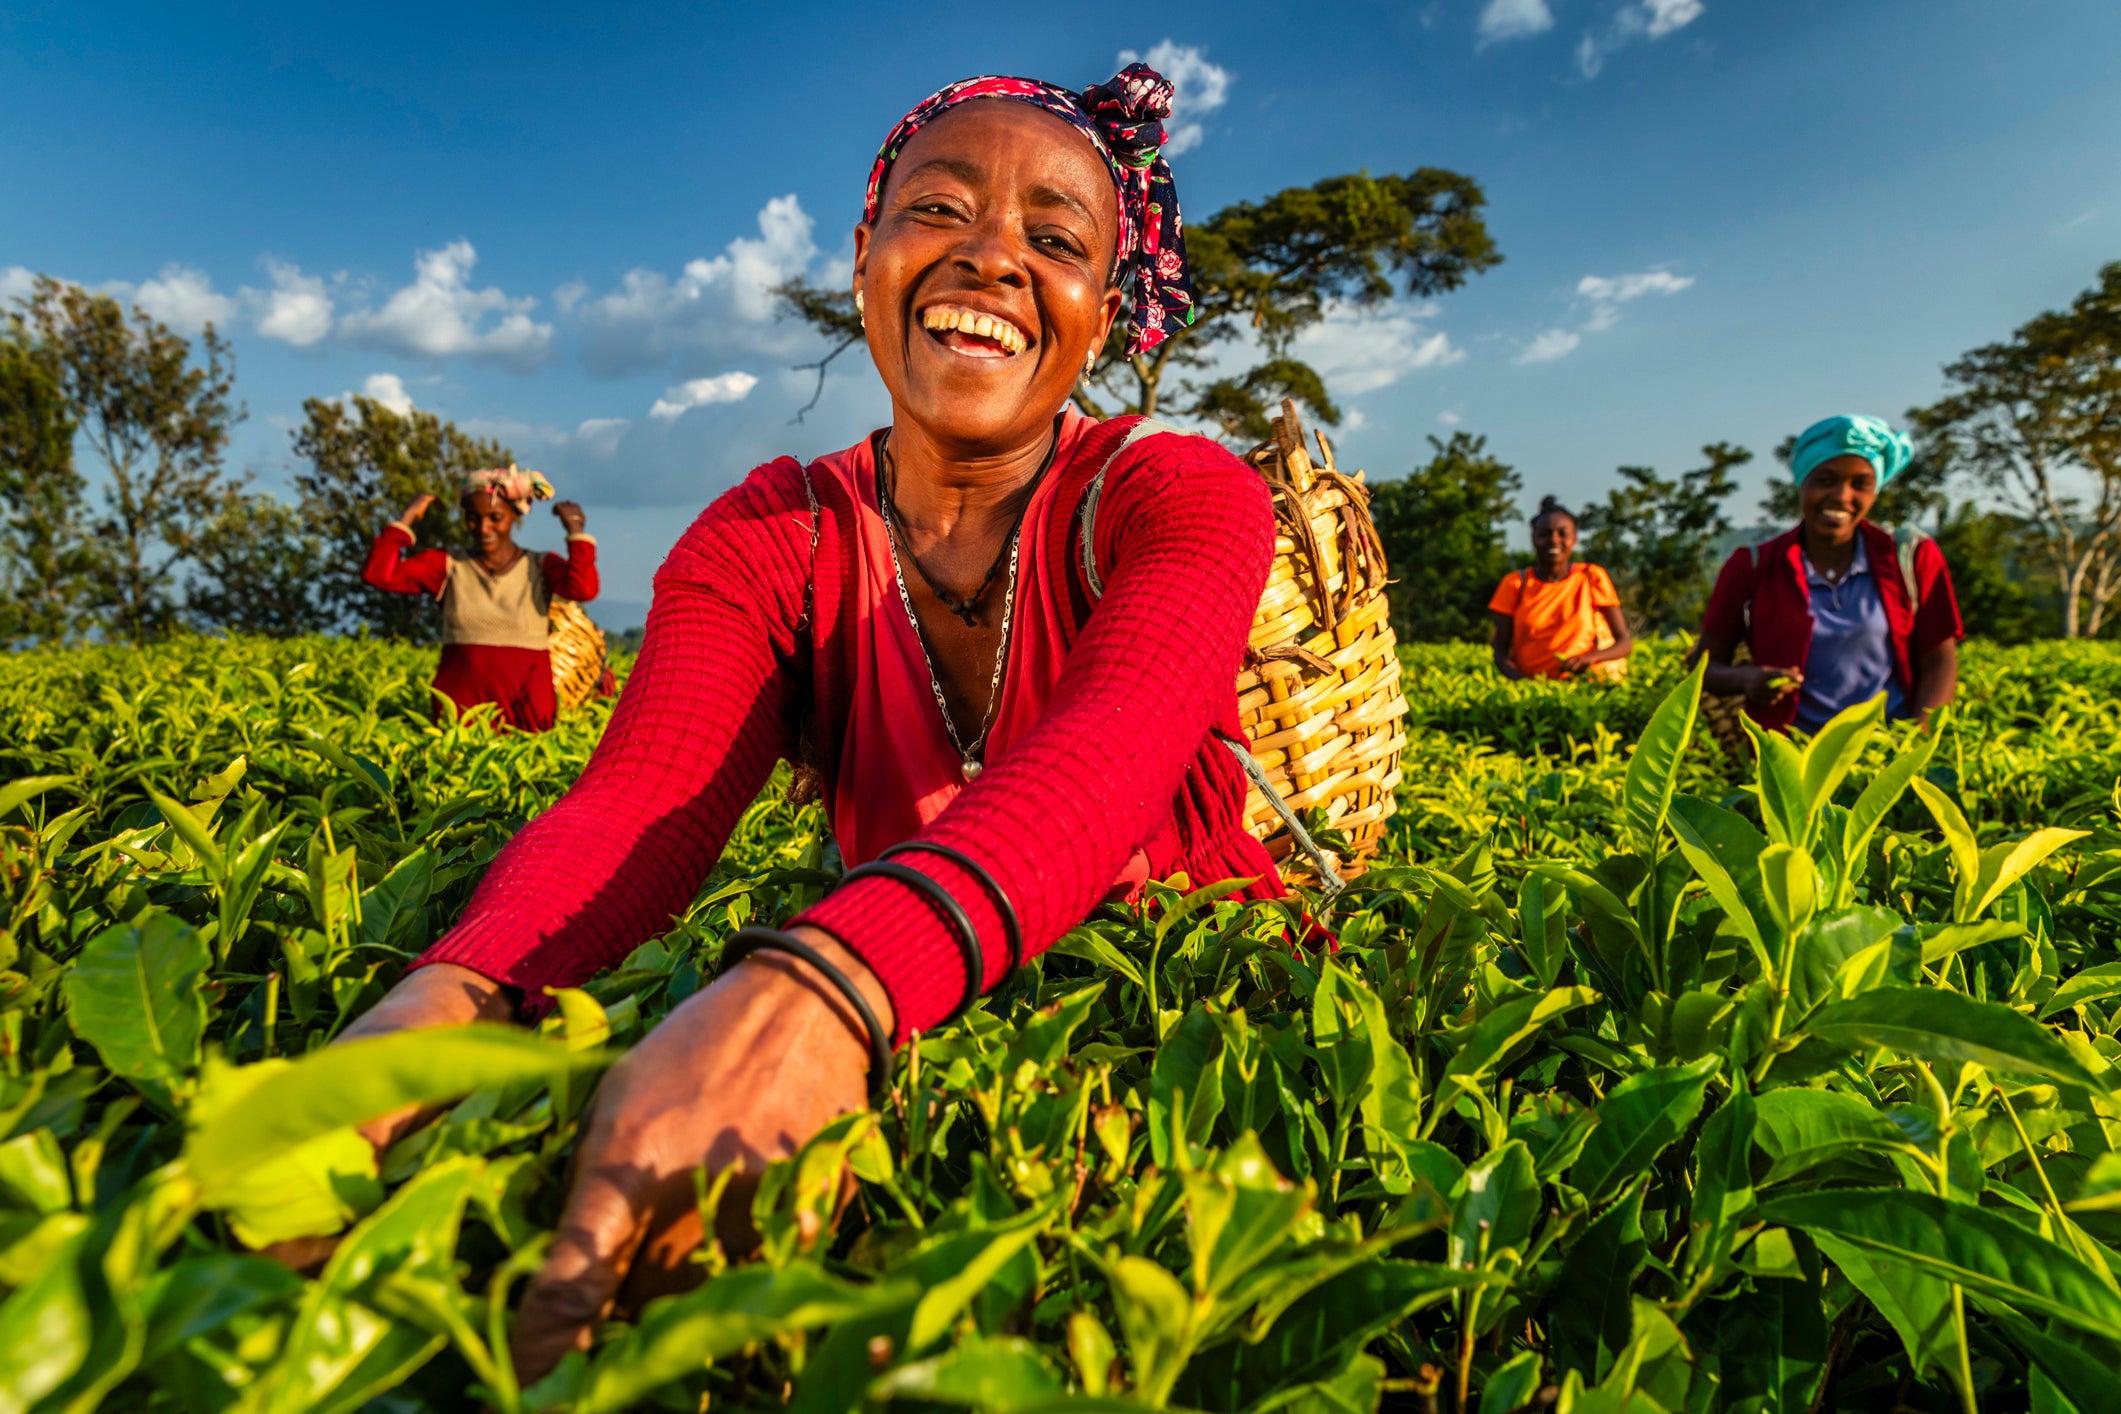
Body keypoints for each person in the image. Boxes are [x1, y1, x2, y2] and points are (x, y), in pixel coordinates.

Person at [338, 63, 1284, 1377]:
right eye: (938, 209)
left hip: (1191, 1023)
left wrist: (822, 979)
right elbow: (637, 799)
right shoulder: (767, 535)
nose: (993, 258)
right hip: (902, 1007)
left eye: (1056, 240)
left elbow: (1112, 748)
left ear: (1107, 314)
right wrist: (463, 988)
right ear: (864, 256)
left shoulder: (1178, 492)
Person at [1697, 414, 1962, 732]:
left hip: (1884, 755)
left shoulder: (1911, 556)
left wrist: (1915, 744)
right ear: (1802, 481)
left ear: (1875, 492)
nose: (1842, 496)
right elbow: (1704, 668)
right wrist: (1749, 678)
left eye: (1860, 484)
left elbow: (1940, 659)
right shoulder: (1753, 566)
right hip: (1791, 764)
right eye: (1825, 480)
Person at [360, 466, 598, 732]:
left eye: (495, 517)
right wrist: (407, 518)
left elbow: (583, 589)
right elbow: (379, 574)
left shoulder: (539, 566)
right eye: (473, 518)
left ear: (513, 517)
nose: (483, 528)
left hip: (526, 708)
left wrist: (576, 532)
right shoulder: (448, 565)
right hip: (459, 708)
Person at [1487, 496, 1633, 682]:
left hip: (1586, 686)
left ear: (1574, 538)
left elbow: (1624, 643)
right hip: (1532, 691)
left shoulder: (1591, 577)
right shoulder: (1515, 584)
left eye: (1562, 533)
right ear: (1533, 539)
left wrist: (1589, 659)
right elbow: (1500, 652)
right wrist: (1523, 684)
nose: (1554, 540)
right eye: (1545, 534)